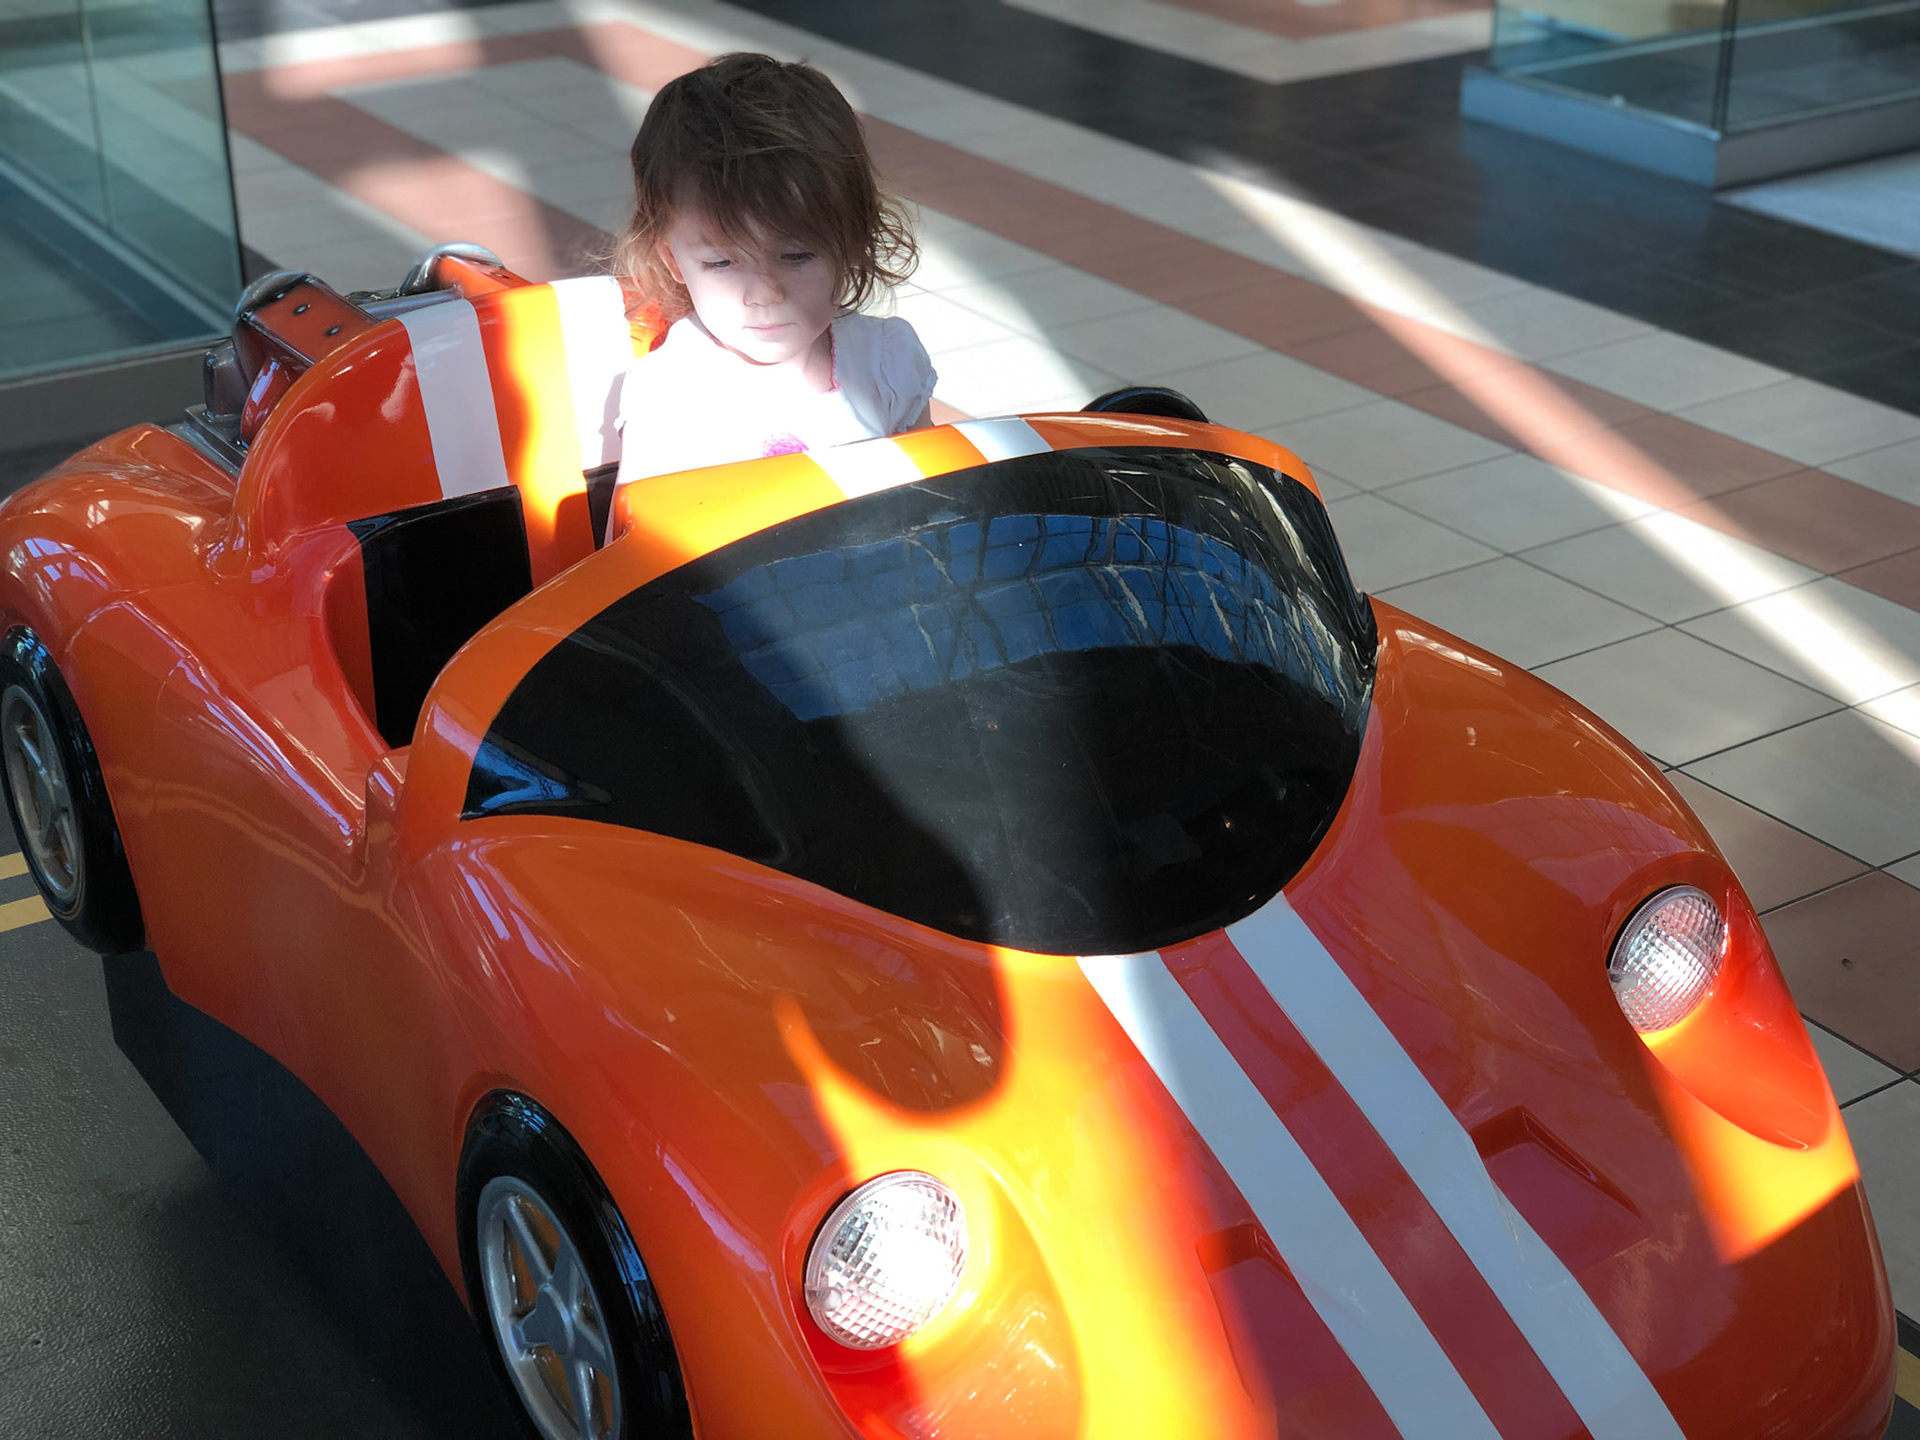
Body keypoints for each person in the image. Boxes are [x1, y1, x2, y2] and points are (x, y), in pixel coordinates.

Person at [606, 52, 934, 540]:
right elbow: (638, 559)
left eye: (796, 255)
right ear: (673, 259)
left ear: (853, 243)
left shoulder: (888, 362)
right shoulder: (672, 394)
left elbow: (935, 512)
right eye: (721, 263)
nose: (764, 293)